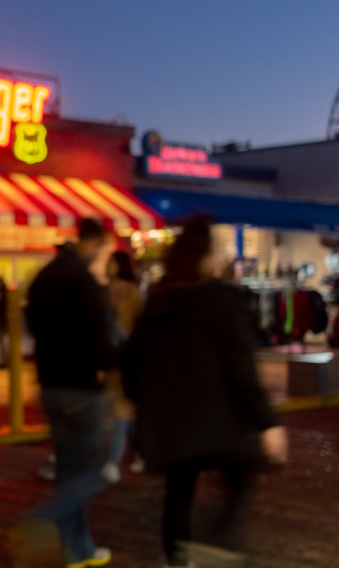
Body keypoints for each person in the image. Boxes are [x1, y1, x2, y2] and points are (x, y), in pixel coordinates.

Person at [122, 216, 288, 568]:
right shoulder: (219, 299)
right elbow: (241, 365)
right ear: (205, 257)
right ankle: (215, 544)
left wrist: (140, 403)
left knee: (179, 491)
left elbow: (132, 360)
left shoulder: (159, 301)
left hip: (173, 424)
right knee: (240, 475)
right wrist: (267, 422)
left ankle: (178, 559)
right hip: (218, 421)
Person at [24, 217, 117, 568]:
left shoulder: (45, 277)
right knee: (92, 472)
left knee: (67, 472)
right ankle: (46, 516)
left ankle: (78, 551)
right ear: (92, 242)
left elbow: (32, 323)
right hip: (81, 387)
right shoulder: (83, 280)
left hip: (51, 385)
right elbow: (99, 335)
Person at [102, 250, 144, 484]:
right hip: (108, 356)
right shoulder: (103, 291)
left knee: (121, 410)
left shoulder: (131, 293)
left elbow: (139, 324)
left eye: (113, 262)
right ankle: (141, 452)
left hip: (126, 357)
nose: (108, 266)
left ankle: (113, 461)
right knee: (124, 413)